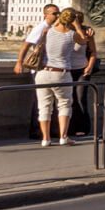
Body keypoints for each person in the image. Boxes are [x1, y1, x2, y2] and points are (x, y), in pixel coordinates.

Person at [33, 9, 80, 146]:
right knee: (64, 104)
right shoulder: (72, 34)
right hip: (61, 73)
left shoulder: (47, 31)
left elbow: (37, 46)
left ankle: (45, 139)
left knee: (44, 106)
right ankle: (63, 136)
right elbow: (83, 41)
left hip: (43, 72)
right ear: (72, 20)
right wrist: (77, 26)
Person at [66, 8, 97, 137]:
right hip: (65, 69)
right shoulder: (63, 32)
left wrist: (89, 67)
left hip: (81, 70)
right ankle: (68, 128)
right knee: (67, 100)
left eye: (78, 19)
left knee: (79, 98)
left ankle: (83, 127)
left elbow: (93, 52)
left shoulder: (86, 33)